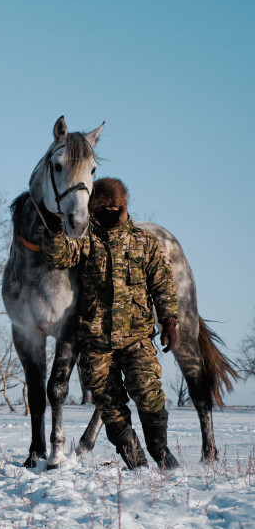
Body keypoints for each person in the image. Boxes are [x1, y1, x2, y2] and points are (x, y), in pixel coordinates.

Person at [40, 177, 181, 470]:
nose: (110, 212)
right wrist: (54, 233)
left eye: (115, 208)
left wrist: (169, 321)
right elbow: (59, 256)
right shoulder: (85, 240)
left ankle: (161, 452)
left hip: (137, 337)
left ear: (124, 207)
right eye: (103, 208)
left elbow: (163, 284)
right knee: (109, 403)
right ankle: (134, 459)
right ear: (93, 209)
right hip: (95, 341)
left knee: (147, 392)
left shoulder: (145, 243)